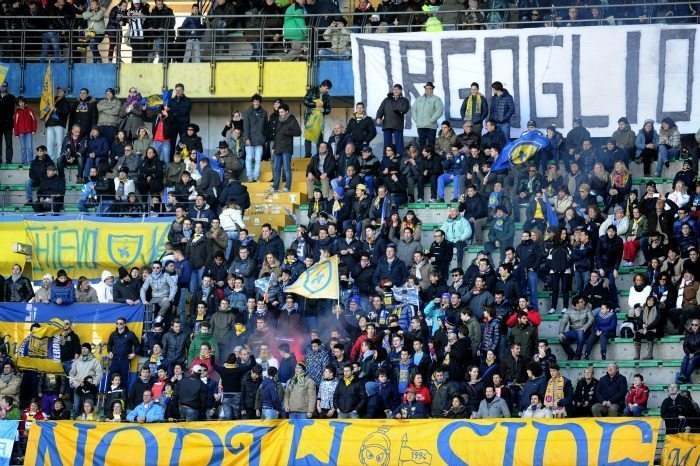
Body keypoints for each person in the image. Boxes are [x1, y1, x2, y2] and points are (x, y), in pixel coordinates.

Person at [271, 103, 301, 193]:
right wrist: (273, 147)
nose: (281, 114)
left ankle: (287, 186)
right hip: (278, 148)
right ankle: (275, 186)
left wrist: (287, 132)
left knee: (286, 168)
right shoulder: (278, 120)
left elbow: (298, 132)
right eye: (279, 112)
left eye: (282, 112)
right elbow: (276, 136)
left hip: (287, 148)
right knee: (276, 168)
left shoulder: (292, 120)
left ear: (287, 111)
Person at [69, 343, 103, 417]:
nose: (84, 350)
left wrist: (92, 384)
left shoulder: (94, 361)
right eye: (83, 348)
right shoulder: (77, 361)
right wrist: (75, 384)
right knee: (76, 407)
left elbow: (99, 374)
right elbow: (71, 374)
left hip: (89, 389)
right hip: (78, 388)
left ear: (89, 350)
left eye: (86, 348)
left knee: (89, 409)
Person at [376, 84, 410, 156]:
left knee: (399, 144)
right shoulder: (386, 100)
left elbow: (405, 109)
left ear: (401, 91)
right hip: (387, 124)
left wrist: (399, 111)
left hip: (398, 124)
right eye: (394, 89)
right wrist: (378, 117)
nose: (396, 91)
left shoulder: (404, 100)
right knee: (387, 144)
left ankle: (400, 158)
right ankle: (386, 159)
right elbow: (380, 109)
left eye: (398, 89)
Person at [107, 317, 140, 388]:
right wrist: (110, 352)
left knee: (124, 379)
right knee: (112, 379)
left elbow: (138, 346)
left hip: (125, 360)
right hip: (115, 360)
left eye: (121, 323)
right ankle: (110, 396)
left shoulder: (130, 334)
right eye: (117, 323)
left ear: (124, 324)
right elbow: (109, 344)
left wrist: (134, 354)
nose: (119, 325)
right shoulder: (113, 334)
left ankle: (123, 397)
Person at [411, 82, 444, 150]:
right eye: (426, 88)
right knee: (421, 144)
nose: (427, 90)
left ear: (432, 89)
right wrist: (416, 120)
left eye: (429, 88)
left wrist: (431, 120)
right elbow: (413, 109)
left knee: (431, 145)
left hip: (430, 127)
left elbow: (439, 111)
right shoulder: (419, 99)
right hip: (420, 126)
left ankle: (431, 160)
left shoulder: (436, 99)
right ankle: (422, 159)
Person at [678, 318, 700, 384]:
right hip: (690, 353)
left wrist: (694, 353)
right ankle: (682, 376)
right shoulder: (688, 333)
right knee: (685, 359)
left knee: (692, 360)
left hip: (698, 354)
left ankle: (684, 378)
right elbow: (685, 346)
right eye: (692, 324)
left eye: (696, 325)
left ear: (699, 326)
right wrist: (689, 353)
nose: (694, 326)